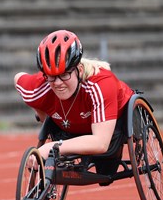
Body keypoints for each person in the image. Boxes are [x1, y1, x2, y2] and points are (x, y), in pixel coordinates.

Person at [14, 29, 135, 177]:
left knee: (106, 173)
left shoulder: (101, 85)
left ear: (79, 69)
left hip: (111, 127)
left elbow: (101, 143)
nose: (58, 83)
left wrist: (51, 147)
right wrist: (42, 113)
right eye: (51, 76)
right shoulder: (40, 87)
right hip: (72, 126)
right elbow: (18, 78)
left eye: (64, 74)